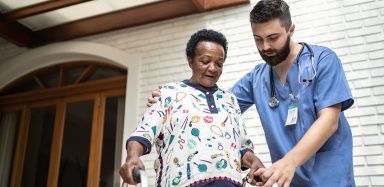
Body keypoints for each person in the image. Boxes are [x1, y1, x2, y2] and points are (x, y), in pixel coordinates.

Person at [147, 0, 355, 186]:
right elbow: (216, 109)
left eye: (273, 38)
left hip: (330, 178)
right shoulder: (258, 78)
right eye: (258, 39)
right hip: (286, 180)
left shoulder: (322, 60)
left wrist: (288, 163)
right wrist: (174, 96)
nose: (265, 47)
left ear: (291, 30)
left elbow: (329, 121)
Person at [119, 29, 265, 187]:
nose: (213, 68)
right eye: (205, 61)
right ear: (190, 61)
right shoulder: (169, 93)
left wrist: (254, 161)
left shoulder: (230, 100)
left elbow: (242, 146)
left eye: (219, 63)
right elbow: (143, 132)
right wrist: (132, 157)